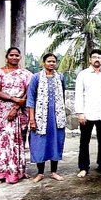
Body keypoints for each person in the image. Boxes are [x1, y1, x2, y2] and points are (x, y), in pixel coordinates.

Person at [0, 46, 32, 184]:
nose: (14, 57)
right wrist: (14, 100)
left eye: (17, 55)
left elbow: (28, 93)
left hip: (20, 110)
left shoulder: (26, 74)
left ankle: (17, 171)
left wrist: (16, 107)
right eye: (11, 55)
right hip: (3, 111)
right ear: (6, 57)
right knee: (3, 140)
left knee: (18, 140)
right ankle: (0, 172)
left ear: (20, 57)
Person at [73, 48, 101, 177]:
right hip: (87, 113)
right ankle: (83, 167)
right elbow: (79, 95)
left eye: (99, 57)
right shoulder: (83, 75)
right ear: (90, 60)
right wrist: (80, 113)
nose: (97, 59)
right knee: (84, 141)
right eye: (94, 57)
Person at [26, 53, 67, 181]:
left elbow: (63, 95)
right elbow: (31, 99)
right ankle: (40, 173)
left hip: (56, 117)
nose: (51, 64)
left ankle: (54, 171)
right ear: (43, 63)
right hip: (40, 117)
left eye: (54, 61)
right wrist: (32, 119)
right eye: (49, 61)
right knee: (40, 143)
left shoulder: (60, 77)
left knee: (56, 142)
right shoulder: (36, 78)